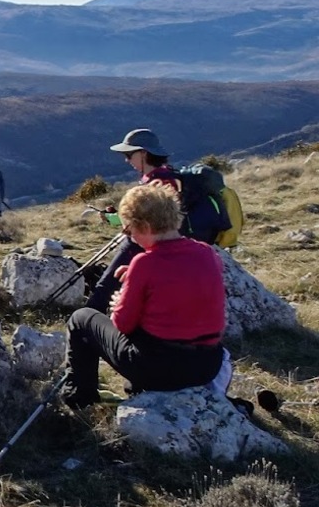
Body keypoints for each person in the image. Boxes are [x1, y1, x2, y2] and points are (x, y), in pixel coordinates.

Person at [63, 184, 225, 409]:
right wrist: (135, 277)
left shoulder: (144, 263)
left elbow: (123, 324)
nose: (129, 237)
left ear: (145, 226)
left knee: (81, 319)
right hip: (207, 365)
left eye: (129, 231)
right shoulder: (207, 253)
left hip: (156, 369)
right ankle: (137, 390)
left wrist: (119, 302)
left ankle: (79, 399)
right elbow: (180, 288)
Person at [84, 128, 183, 312]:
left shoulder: (157, 183)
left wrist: (113, 219)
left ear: (144, 153)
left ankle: (86, 321)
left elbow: (147, 219)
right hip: (151, 243)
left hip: (141, 243)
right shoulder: (164, 176)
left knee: (106, 287)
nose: (127, 160)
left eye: (129, 155)